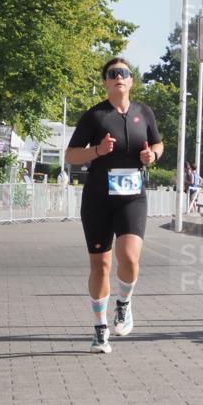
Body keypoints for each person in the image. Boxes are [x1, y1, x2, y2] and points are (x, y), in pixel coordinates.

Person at [64, 58, 164, 354]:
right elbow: (70, 155)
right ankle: (100, 329)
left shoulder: (143, 112)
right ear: (105, 82)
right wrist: (97, 151)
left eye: (124, 73)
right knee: (101, 265)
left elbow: (158, 144)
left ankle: (124, 303)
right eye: (112, 74)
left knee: (130, 257)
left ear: (131, 81)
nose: (119, 77)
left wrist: (153, 157)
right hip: (97, 198)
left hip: (132, 196)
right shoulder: (94, 117)